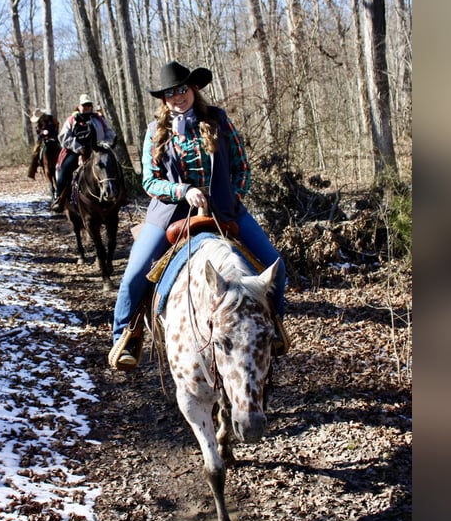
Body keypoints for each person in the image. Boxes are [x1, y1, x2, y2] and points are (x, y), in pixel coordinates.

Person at [110, 60, 288, 370]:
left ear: (193, 89)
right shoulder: (155, 131)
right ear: (164, 99)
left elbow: (241, 167)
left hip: (223, 207)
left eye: (182, 89)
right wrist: (182, 191)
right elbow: (149, 181)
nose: (177, 97)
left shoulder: (217, 120)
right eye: (170, 93)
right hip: (170, 211)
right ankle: (126, 337)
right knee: (133, 276)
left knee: (276, 266)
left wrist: (232, 197)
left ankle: (272, 325)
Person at [55, 94, 116, 212]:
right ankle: (59, 198)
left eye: (89, 105)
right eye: (84, 105)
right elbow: (63, 136)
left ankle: (122, 195)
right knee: (65, 170)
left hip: (99, 150)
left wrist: (105, 143)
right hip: (77, 151)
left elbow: (109, 132)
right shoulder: (71, 120)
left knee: (115, 166)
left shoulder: (99, 119)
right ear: (79, 106)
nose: (87, 107)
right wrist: (78, 147)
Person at [27, 108, 59, 179]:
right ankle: (32, 171)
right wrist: (42, 132)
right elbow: (38, 132)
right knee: (35, 152)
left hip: (54, 137)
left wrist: (52, 133)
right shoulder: (38, 124)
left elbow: (57, 126)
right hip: (42, 139)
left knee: (61, 148)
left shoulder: (51, 119)